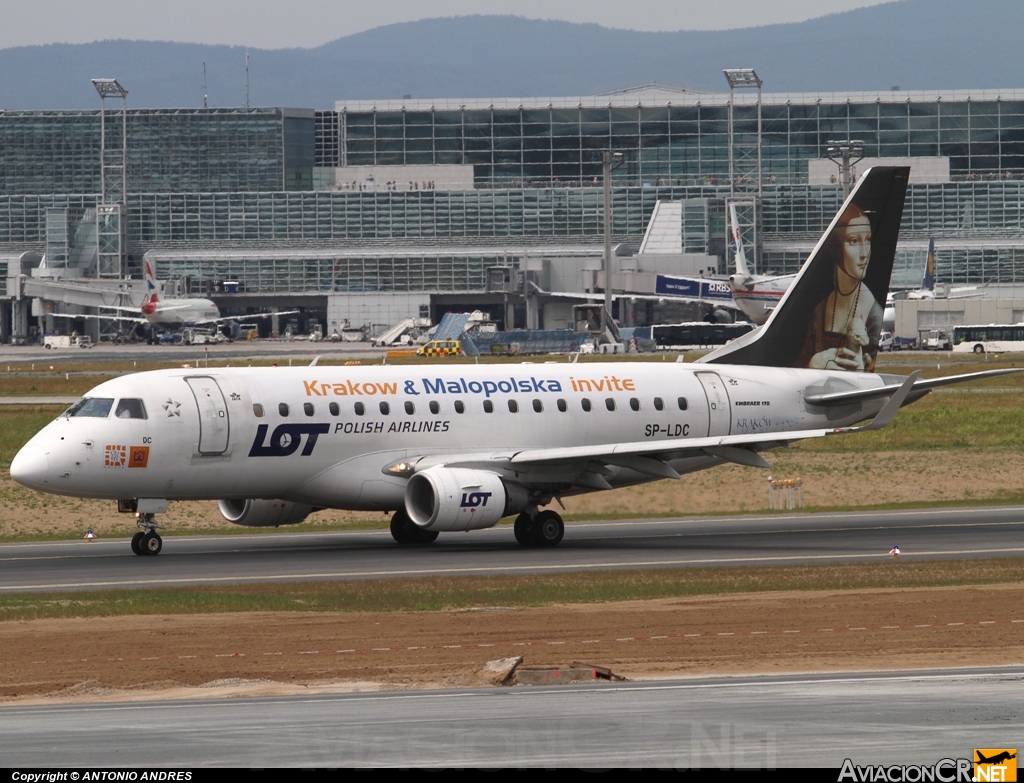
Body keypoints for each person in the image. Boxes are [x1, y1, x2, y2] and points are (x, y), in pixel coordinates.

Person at [800, 204, 882, 372]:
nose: (864, 253)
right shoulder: (820, 309)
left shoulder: (873, 314)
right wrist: (812, 364)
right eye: (854, 241)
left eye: (868, 240)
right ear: (837, 247)